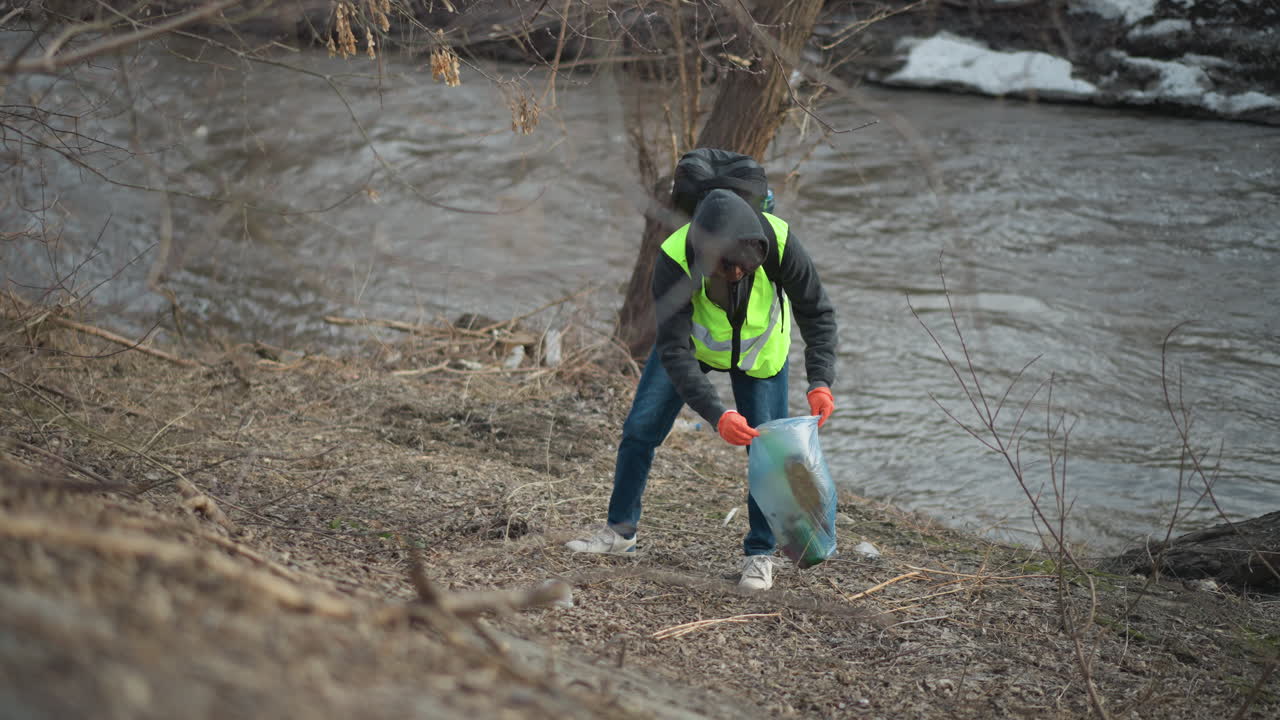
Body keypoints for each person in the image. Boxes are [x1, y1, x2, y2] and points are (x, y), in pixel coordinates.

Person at [566, 183, 837, 592]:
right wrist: (717, 414)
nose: (732, 277)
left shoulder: (779, 243)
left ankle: (759, 555)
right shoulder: (675, 256)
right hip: (692, 349)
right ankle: (620, 533)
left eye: (740, 271)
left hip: (761, 357)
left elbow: (816, 312)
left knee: (767, 454)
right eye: (721, 271)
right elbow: (673, 350)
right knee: (639, 430)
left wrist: (820, 381)